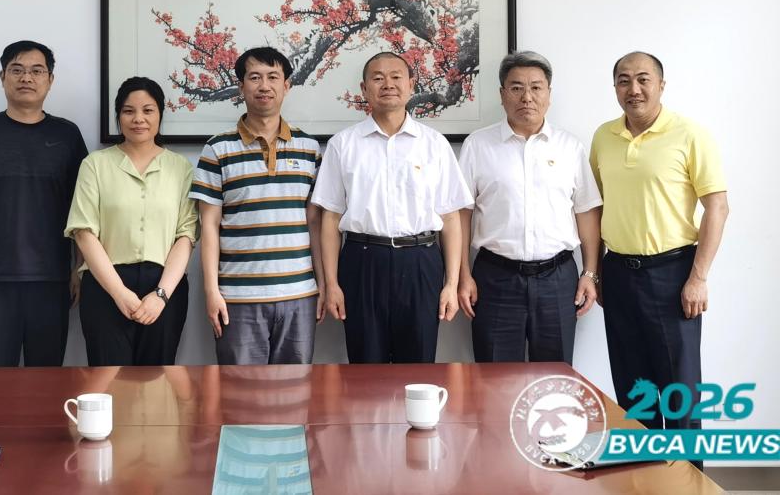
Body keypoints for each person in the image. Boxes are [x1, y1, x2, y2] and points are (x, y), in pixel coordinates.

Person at [590, 51, 728, 446]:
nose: (633, 89)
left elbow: (717, 206)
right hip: (618, 273)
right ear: (614, 87)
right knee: (635, 395)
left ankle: (688, 478)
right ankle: (643, 475)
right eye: (624, 80)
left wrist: (698, 278)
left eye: (643, 79)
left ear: (661, 85)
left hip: (673, 275)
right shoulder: (603, 137)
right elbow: (596, 207)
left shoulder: (690, 134)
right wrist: (595, 271)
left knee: (679, 395)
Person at [312, 51, 472, 363]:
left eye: (396, 77)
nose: (388, 84)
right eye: (378, 78)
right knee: (365, 364)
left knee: (418, 365)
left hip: (421, 261)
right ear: (364, 89)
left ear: (411, 85)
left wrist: (451, 284)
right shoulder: (343, 144)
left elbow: (451, 219)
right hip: (362, 262)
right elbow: (330, 219)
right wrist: (331, 284)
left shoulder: (434, 144)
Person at [0, 40, 87, 367]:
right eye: (17, 70)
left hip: (53, 279)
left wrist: (79, 268)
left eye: (37, 71)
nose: (27, 78)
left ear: (50, 80)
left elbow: (83, 209)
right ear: (3, 77)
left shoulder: (67, 135)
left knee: (47, 380)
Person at [457, 51, 602, 364]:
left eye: (536, 87)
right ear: (502, 94)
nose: (527, 97)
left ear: (549, 94)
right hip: (495, 278)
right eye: (516, 88)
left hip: (558, 279)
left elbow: (587, 212)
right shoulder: (478, 145)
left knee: (554, 378)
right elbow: (461, 215)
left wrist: (590, 273)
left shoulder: (570, 147)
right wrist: (462, 275)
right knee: (494, 378)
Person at [190, 47, 323, 364]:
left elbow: (315, 224)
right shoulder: (217, 149)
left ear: (286, 86)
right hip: (237, 298)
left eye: (273, 77)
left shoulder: (309, 149)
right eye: (255, 78)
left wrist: (324, 285)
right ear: (241, 87)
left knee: (296, 387)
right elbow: (209, 226)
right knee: (240, 389)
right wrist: (212, 292)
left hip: (299, 294)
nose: (264, 86)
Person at [65, 77, 197, 365]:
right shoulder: (95, 165)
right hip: (105, 284)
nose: (138, 119)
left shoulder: (181, 168)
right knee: (108, 380)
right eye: (128, 111)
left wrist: (160, 295)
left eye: (148, 110)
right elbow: (84, 232)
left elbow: (186, 236)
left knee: (157, 380)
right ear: (118, 116)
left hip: (165, 286)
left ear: (160, 114)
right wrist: (119, 293)